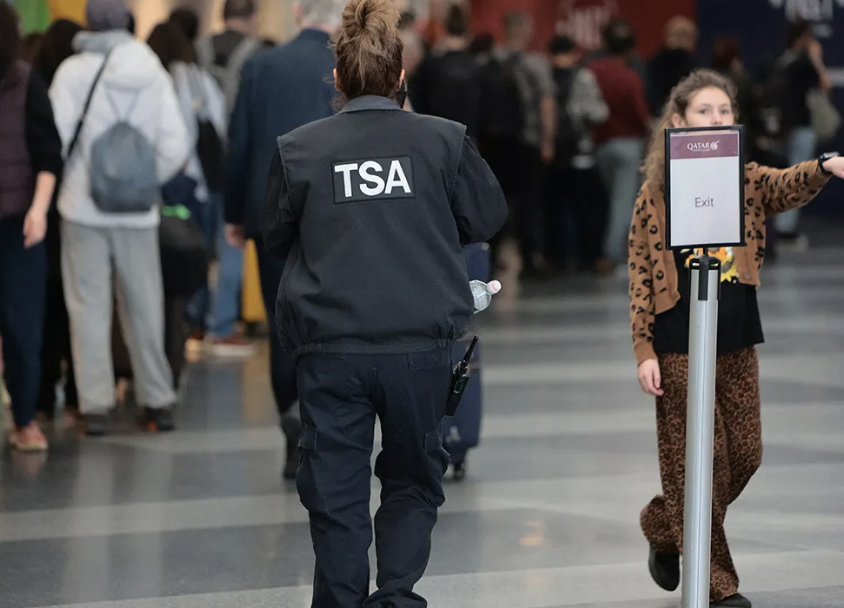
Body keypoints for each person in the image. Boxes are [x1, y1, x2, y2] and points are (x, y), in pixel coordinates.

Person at [261, 0, 507, 605]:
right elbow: (487, 216)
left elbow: (276, 236)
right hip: (420, 347)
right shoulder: (443, 141)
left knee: (334, 493)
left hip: (330, 350)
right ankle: (397, 596)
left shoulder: (298, 149)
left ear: (338, 78)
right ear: (401, 76)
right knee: (412, 481)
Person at [629, 69, 844, 608]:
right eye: (704, 111)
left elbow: (784, 185)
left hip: (737, 338)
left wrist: (823, 166)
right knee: (697, 466)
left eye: (724, 111)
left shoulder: (744, 179)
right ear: (679, 121)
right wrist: (643, 350)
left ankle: (663, 523)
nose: (716, 120)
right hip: (678, 344)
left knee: (744, 456)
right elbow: (640, 276)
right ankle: (717, 585)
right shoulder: (655, 195)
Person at [49, 0, 190, 436]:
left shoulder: (73, 72)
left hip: (81, 207)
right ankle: (157, 401)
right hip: (138, 212)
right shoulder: (151, 69)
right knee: (145, 305)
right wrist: (145, 181)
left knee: (88, 306)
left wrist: (78, 179)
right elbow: (176, 141)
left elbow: (55, 138)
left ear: (90, 23)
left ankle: (94, 407)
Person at [224, 0, 343, 480]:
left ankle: (292, 425)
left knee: (281, 322)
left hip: (270, 210)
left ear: (297, 13)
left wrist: (235, 213)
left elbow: (240, 143)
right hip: (334, 213)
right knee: (332, 318)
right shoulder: (347, 65)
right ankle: (327, 426)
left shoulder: (260, 66)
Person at [0, 1, 63, 451]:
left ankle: (24, 418)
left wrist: (39, 210)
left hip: (18, 226)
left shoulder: (25, 82)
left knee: (23, 328)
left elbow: (48, 154)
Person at [31, 17, 84, 422]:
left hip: (39, 213)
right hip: (76, 208)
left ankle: (42, 395)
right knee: (77, 307)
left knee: (43, 307)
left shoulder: (35, 85)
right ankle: (79, 393)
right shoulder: (78, 79)